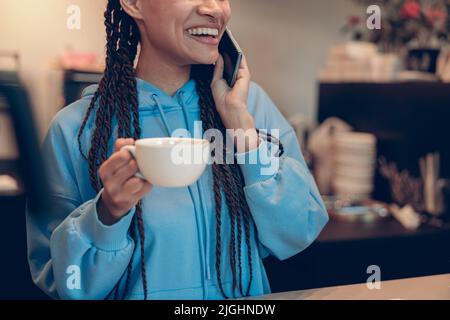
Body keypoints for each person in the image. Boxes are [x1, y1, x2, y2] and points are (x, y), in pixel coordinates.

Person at [26, 0, 328, 300]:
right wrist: (108, 214)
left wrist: (242, 130)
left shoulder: (249, 107)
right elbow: (64, 282)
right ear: (133, 4)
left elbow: (300, 230)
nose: (214, 9)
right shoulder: (76, 129)